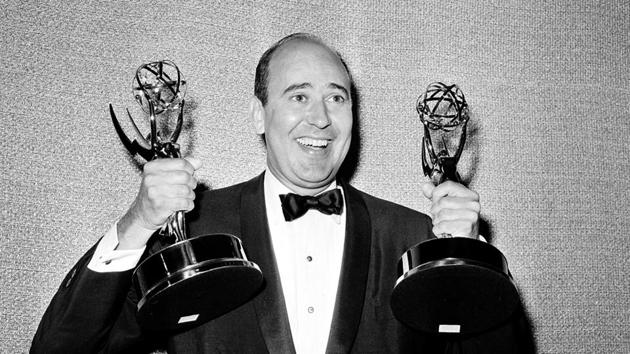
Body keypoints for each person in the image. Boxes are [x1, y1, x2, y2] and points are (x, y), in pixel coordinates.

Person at [32, 33, 522, 353]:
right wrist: (137, 222)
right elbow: (62, 347)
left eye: (336, 97)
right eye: (298, 96)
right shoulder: (191, 231)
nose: (321, 118)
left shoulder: (413, 236)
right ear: (258, 115)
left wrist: (470, 259)